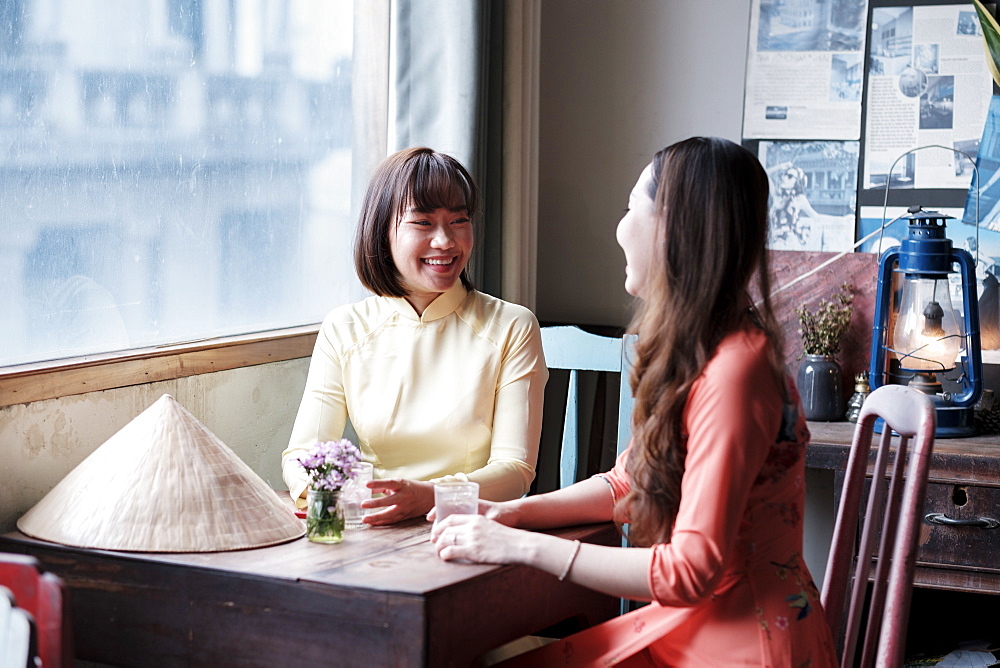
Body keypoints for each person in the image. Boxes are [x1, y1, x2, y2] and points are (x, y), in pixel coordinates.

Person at [430, 137, 839, 666]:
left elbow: (689, 572)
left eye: (630, 208)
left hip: (741, 640)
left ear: (673, 229)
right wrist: (514, 514)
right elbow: (630, 481)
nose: (620, 227)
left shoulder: (736, 371)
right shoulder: (706, 350)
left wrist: (519, 547)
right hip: (701, 624)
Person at [282, 147, 548, 525]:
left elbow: (515, 469)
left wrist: (429, 497)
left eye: (459, 220)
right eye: (423, 223)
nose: (446, 241)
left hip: (467, 526)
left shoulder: (511, 326)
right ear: (381, 231)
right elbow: (304, 454)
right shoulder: (345, 328)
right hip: (373, 523)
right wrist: (329, 494)